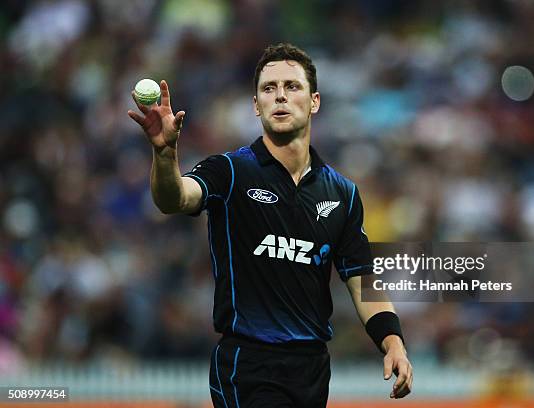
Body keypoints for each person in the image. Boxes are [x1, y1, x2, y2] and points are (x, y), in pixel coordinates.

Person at [128, 43, 413, 407]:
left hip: (311, 370)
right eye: (269, 88)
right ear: (256, 105)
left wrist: (394, 344)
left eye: (292, 87)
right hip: (248, 365)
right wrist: (165, 155)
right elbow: (174, 199)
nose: (280, 95)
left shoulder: (342, 194)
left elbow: (363, 284)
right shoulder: (230, 171)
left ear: (314, 102)